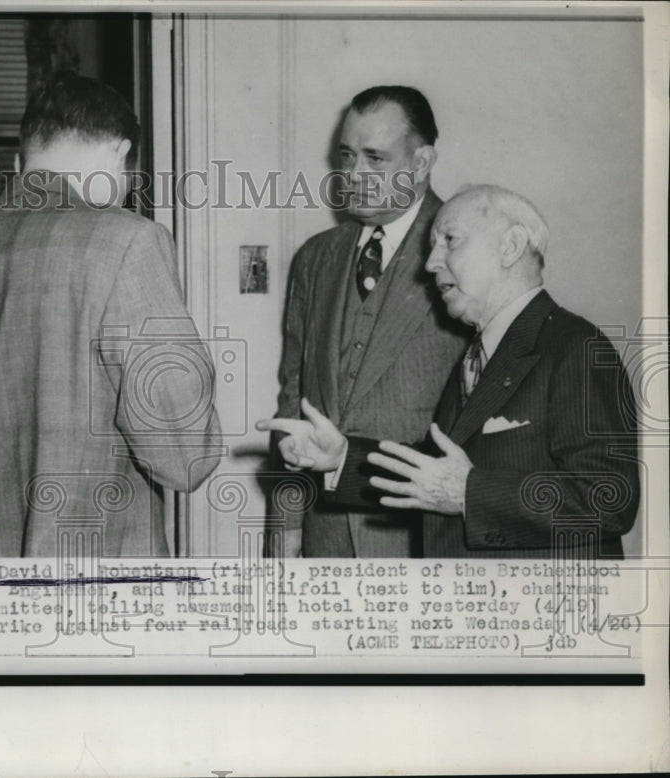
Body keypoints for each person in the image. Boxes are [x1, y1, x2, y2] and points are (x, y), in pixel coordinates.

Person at [0, 72, 223, 558]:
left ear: (24, 159)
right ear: (119, 154)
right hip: (99, 604)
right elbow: (186, 458)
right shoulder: (128, 242)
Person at [258, 185, 640, 559]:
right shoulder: (479, 352)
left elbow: (610, 498)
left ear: (510, 247)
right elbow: (435, 474)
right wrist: (341, 457)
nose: (430, 263)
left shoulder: (575, 346)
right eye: (431, 246)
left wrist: (469, 494)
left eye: (450, 240)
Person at [273, 86, 467, 557]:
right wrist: (286, 530)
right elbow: (292, 402)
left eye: (375, 158)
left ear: (421, 164)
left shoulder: (466, 249)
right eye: (346, 155)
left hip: (422, 540)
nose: (354, 175)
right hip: (324, 541)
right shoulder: (315, 259)